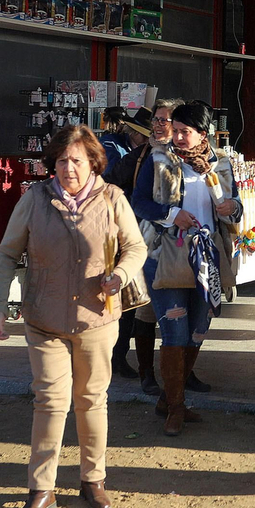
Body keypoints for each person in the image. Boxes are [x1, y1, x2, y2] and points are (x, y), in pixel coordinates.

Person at [0, 125, 147, 508]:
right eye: (61, 160)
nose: (68, 168)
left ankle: (93, 479)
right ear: (52, 164)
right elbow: (6, 254)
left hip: (97, 319)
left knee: (92, 400)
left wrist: (122, 274)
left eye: (76, 160)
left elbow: (136, 246)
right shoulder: (34, 199)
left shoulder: (113, 199)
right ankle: (42, 488)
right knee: (50, 402)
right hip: (44, 320)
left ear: (92, 162)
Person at [130, 100, 241, 436]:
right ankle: (176, 409)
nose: (176, 136)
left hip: (206, 258)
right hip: (166, 256)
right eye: (174, 130)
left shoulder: (220, 164)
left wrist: (230, 207)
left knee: (198, 331)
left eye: (184, 131)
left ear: (202, 133)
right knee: (175, 334)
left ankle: (169, 398)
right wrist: (170, 215)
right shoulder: (158, 160)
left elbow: (235, 209)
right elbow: (139, 201)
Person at [110, 100, 176, 396]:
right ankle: (132, 364)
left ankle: (179, 374)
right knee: (137, 307)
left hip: (177, 244)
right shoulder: (139, 157)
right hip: (139, 240)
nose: (159, 126)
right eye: (157, 121)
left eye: (166, 121)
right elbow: (109, 186)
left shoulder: (187, 157)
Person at [103, 106, 153, 379]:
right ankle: (118, 357)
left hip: (146, 234)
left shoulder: (141, 154)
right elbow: (108, 184)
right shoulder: (122, 153)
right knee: (130, 303)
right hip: (130, 233)